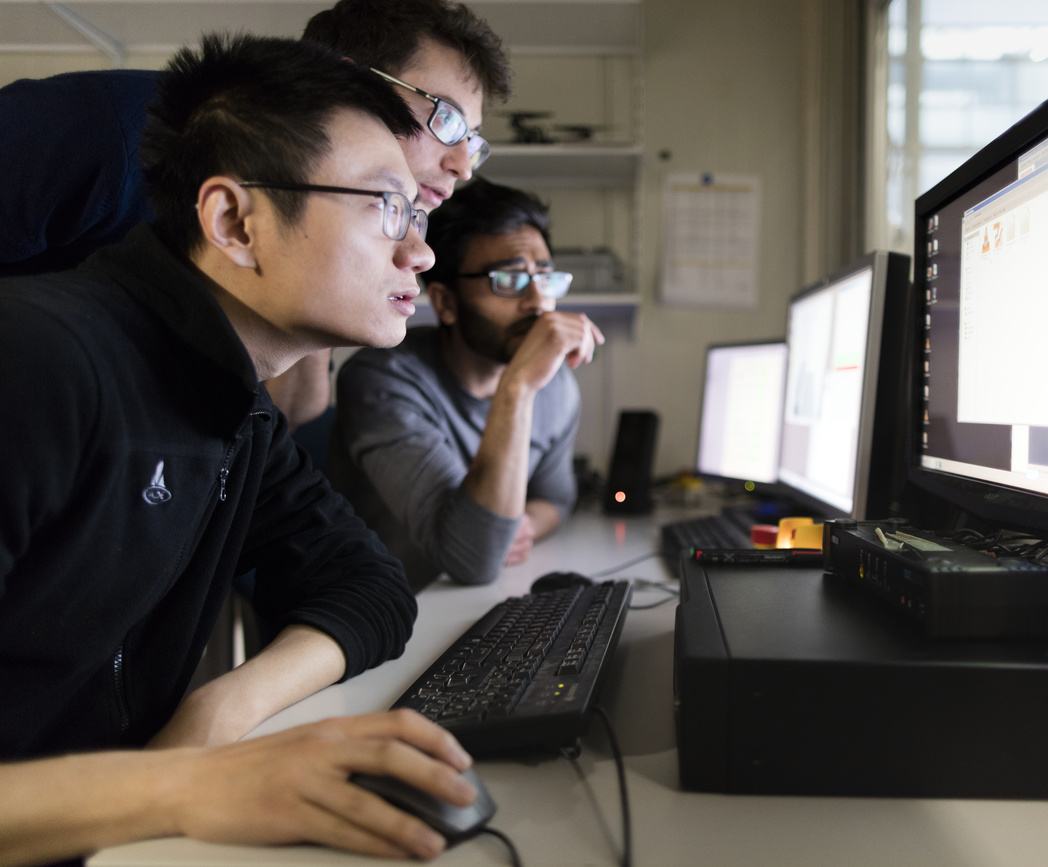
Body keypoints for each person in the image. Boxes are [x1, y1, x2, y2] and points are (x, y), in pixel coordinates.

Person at [0, 35, 474, 865]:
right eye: (383, 206)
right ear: (234, 222)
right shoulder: (41, 361)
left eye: (419, 214)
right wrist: (186, 787)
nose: (421, 250)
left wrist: (210, 722)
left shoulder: (236, 406)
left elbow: (369, 588)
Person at [0, 0, 512, 431]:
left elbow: (286, 410)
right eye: (445, 119)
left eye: (473, 141)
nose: (463, 165)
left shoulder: (342, 229)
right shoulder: (119, 123)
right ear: (353, 79)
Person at [330, 178, 604, 590]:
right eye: (508, 281)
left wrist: (523, 523)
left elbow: (556, 499)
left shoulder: (554, 384)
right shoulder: (382, 380)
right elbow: (471, 557)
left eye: (545, 278)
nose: (538, 303)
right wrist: (518, 389)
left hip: (466, 608)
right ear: (446, 302)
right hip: (375, 612)